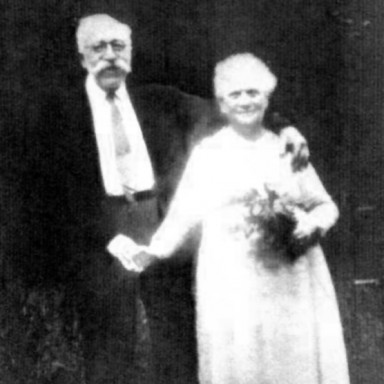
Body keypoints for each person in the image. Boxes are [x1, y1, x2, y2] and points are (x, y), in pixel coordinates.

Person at [29, 14, 309, 384]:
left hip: (161, 226)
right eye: (99, 47)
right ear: (82, 57)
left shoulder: (160, 102)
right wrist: (107, 237)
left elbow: (226, 110)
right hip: (102, 236)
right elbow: (58, 192)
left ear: (130, 52)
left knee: (176, 343)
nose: (110, 56)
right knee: (109, 350)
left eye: (118, 46)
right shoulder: (63, 115)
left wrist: (284, 125)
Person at [123, 53, 350, 384]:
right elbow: (182, 215)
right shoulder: (208, 154)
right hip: (231, 282)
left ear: (266, 97)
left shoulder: (287, 150)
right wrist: (154, 250)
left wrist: (313, 224)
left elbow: (326, 205)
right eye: (235, 94)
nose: (245, 101)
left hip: (291, 280)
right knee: (241, 361)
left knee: (291, 361)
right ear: (222, 104)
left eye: (253, 92)